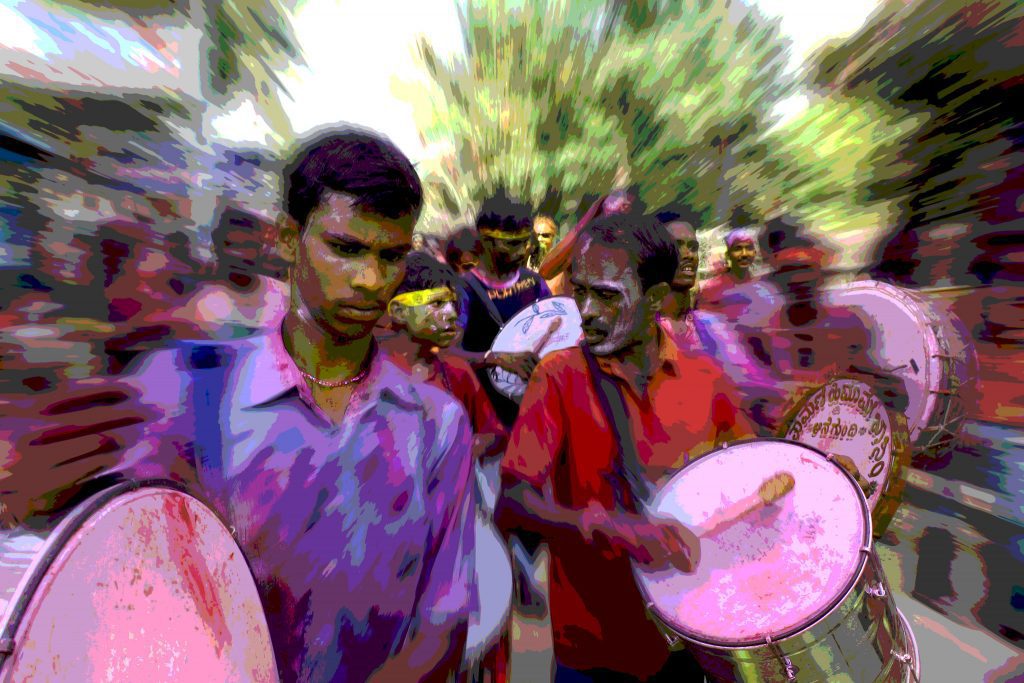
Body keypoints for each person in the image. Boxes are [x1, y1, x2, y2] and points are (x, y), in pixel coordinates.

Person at [0, 126, 477, 683]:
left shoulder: (437, 425)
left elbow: (445, 625)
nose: (370, 280)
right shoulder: (183, 392)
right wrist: (32, 498)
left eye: (390, 256)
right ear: (286, 239)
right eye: (345, 249)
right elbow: (84, 553)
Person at [496, 214, 755, 681]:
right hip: (591, 650)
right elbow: (513, 504)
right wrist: (608, 527)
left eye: (608, 296)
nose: (587, 311)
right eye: (580, 291)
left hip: (692, 644)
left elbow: (748, 484)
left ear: (655, 299)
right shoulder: (557, 378)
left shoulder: (707, 381)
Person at [454, 193, 551, 429]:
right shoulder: (463, 290)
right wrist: (493, 358)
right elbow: (447, 355)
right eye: (512, 243)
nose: (523, 252)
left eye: (525, 242)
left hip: (533, 415)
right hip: (483, 424)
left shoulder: (535, 283)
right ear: (485, 241)